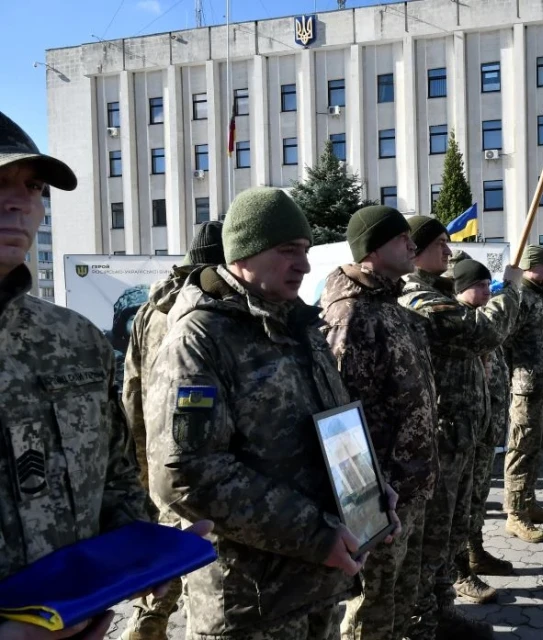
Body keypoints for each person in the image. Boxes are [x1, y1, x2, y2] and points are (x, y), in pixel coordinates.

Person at [145, 187, 399, 640]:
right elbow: (186, 472)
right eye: (287, 251)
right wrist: (314, 534)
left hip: (317, 582)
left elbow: (335, 427)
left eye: (303, 250)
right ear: (243, 254)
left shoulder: (299, 325)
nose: (302, 264)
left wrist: (370, 489)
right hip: (251, 602)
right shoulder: (201, 339)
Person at [0, 110, 198, 640]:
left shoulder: (74, 339)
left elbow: (114, 469)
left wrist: (141, 553)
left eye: (33, 187)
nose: (18, 202)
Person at [319, 205, 438, 640]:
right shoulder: (352, 314)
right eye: (400, 238)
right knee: (372, 607)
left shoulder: (389, 304)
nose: (411, 244)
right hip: (381, 494)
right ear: (371, 249)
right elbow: (341, 416)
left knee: (396, 601)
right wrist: (369, 499)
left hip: (409, 484)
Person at [399, 216, 521, 639]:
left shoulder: (437, 291)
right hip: (442, 437)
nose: (449, 253)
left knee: (452, 531)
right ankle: (425, 621)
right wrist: (511, 290)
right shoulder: (418, 297)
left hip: (464, 432)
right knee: (433, 538)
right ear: (414, 249)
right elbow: (482, 332)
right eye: (440, 245)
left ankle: (440, 610)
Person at [120, 221, 225, 640]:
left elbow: (131, 388)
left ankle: (147, 624)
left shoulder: (150, 310)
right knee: (200, 554)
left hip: (155, 452)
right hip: (196, 449)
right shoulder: (209, 310)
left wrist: (138, 459)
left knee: (165, 554)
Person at [450, 258, 516, 602]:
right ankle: (460, 571)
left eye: (490, 283)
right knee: (463, 504)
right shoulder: (465, 322)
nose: (487, 290)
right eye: (480, 285)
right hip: (463, 432)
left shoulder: (479, 319)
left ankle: (476, 552)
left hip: (484, 428)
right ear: (463, 289)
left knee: (477, 499)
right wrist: (511, 289)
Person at [502, 246, 543, 543]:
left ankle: (528, 501)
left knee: (535, 446)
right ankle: (515, 514)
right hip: (525, 387)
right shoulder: (521, 298)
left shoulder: (537, 295)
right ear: (529, 267)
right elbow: (503, 340)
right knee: (521, 448)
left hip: (541, 385)